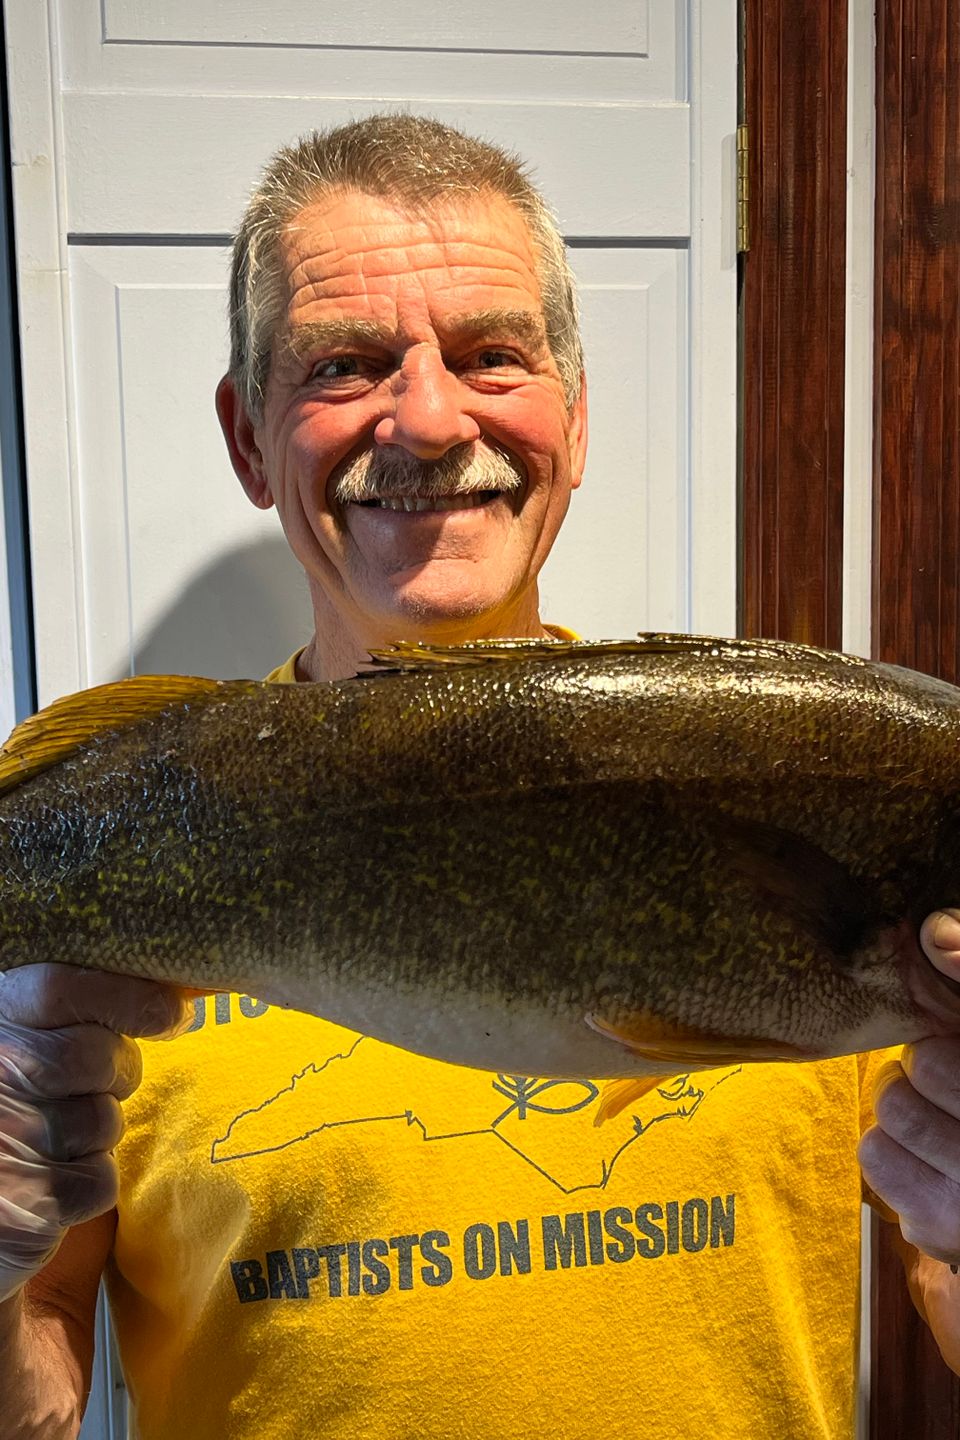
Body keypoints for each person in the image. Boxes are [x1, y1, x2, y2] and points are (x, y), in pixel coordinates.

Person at [1, 112, 960, 1439]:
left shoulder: (814, 786)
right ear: (246, 436)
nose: (431, 418)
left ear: (573, 411)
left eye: (492, 354)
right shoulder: (91, 839)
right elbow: (38, 1371)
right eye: (345, 364)